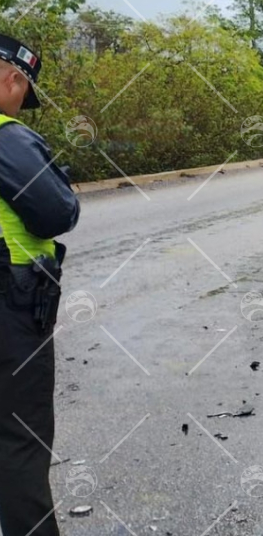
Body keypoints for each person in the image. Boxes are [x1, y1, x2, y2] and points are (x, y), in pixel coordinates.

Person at [0, 35, 80, 536]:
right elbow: (56, 212)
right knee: (18, 441)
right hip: (11, 309)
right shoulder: (8, 137)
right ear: (13, 78)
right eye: (22, 90)